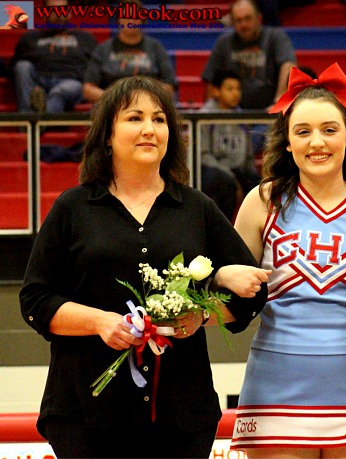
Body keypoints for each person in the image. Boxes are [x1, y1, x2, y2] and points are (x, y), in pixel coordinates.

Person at [19, 75, 270, 458]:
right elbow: (35, 300)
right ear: (107, 134)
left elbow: (252, 294)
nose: (149, 129)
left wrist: (200, 315)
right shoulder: (72, 207)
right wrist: (99, 322)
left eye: (159, 119)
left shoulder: (197, 208)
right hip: (85, 414)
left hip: (181, 415)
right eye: (135, 118)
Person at [229, 63, 346, 457]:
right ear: (288, 143)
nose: (317, 142)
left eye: (329, 129)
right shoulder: (262, 202)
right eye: (303, 132)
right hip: (276, 383)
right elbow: (232, 299)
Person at [201, 0, 296, 110]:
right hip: (232, 114)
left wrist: (280, 101)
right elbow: (211, 79)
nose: (244, 24)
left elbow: (289, 66)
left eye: (248, 18)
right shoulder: (224, 41)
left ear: (259, 18)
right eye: (238, 20)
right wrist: (210, 114)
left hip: (269, 111)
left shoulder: (276, 37)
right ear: (232, 22)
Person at [11, 0, 97, 113]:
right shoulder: (29, 38)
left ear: (69, 13)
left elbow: (96, 67)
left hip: (70, 82)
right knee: (22, 66)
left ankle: (35, 118)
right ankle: (28, 114)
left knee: (59, 91)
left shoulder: (85, 38)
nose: (58, 15)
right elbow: (13, 68)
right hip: (38, 83)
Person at [82, 0, 177, 103]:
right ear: (118, 20)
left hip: (148, 105)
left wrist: (142, 99)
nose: (131, 20)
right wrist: (117, 99)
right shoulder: (103, 49)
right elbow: (88, 89)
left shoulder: (155, 47)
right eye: (126, 16)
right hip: (112, 106)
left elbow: (169, 86)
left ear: (142, 20)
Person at [199, 69, 262, 220]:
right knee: (223, 183)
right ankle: (222, 228)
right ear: (216, 91)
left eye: (238, 89)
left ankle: (256, 228)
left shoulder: (241, 117)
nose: (236, 93)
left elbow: (248, 157)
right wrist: (232, 178)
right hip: (212, 168)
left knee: (260, 186)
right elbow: (203, 155)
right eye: (230, 89)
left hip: (237, 169)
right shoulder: (204, 116)